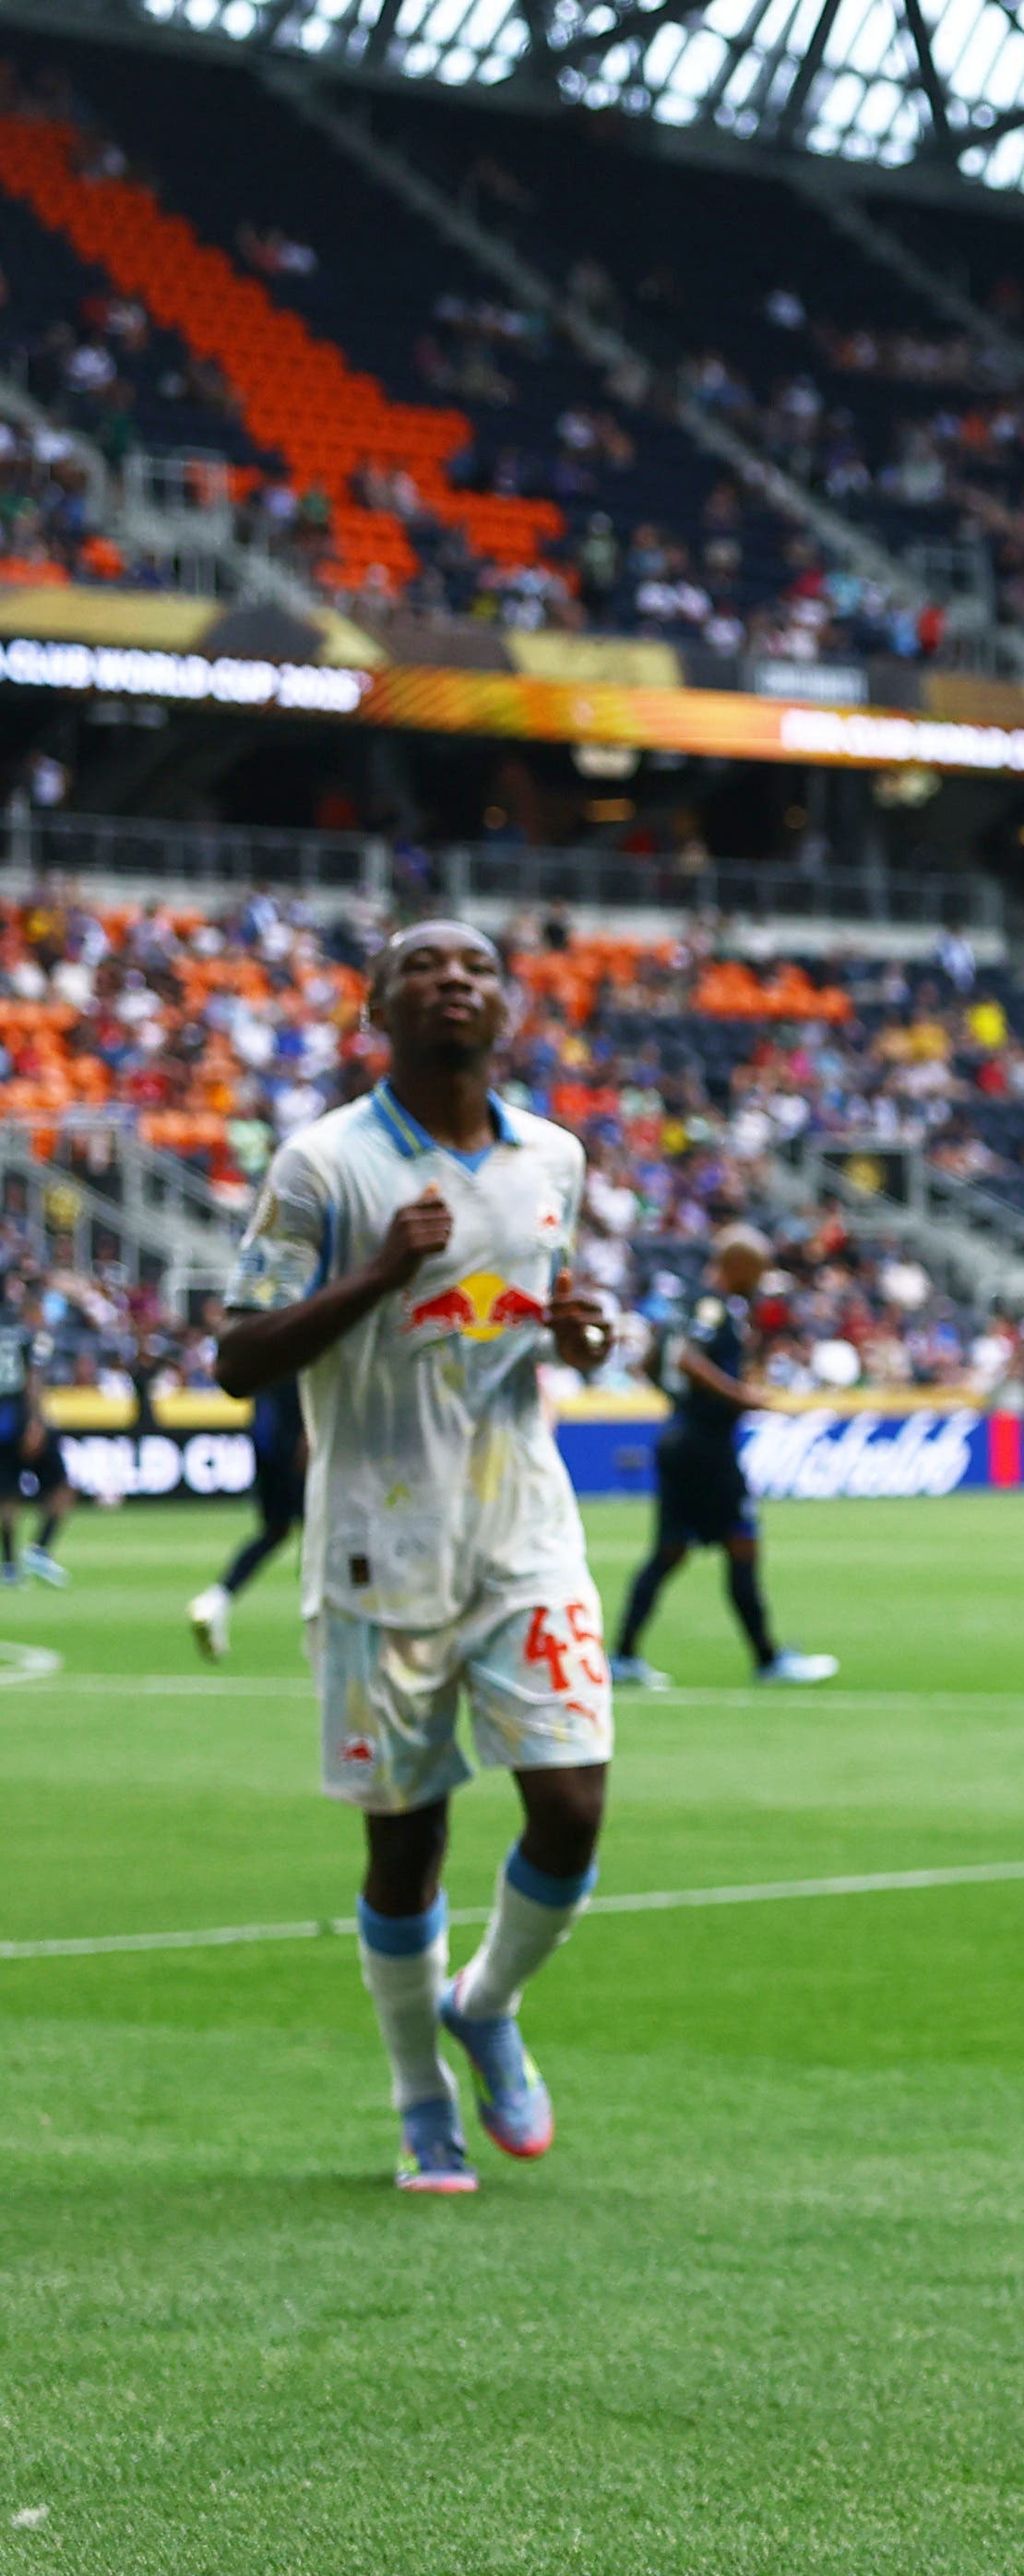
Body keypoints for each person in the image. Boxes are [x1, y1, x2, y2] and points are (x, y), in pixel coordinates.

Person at [212, 920, 619, 2197]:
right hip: (376, 1549)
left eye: (478, 968)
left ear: (508, 1008)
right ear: (376, 1008)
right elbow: (237, 1356)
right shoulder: (322, 1164)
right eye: (424, 968)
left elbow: (545, 1319)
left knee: (573, 1802)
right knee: (408, 1845)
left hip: (523, 1528)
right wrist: (382, 1270)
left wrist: (583, 1337)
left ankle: (483, 2003)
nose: (455, 981)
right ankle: (419, 2098)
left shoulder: (552, 1155)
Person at [618, 1229, 839, 1690]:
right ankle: (768, 1660)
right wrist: (740, 1396)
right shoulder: (714, 1306)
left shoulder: (684, 1306)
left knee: (670, 1551)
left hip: (681, 1437)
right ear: (737, 1265)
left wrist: (680, 1403)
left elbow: (653, 1362)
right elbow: (686, 1360)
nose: (759, 1281)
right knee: (741, 1542)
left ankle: (623, 1656)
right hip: (707, 1447)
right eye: (757, 1271)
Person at [186, 1348, 304, 1659]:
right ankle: (322, 1618)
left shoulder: (268, 1345)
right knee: (319, 1535)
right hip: (296, 1449)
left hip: (265, 1446)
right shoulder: (303, 1345)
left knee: (274, 1532)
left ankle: (217, 1599)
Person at [0, 1260, 60, 1588]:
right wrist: (36, 1420)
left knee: (7, 1493)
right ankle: (39, 1549)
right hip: (20, 1414)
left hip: (4, 1419)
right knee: (62, 1483)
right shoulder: (21, 1328)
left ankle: (10, 1564)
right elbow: (33, 1377)